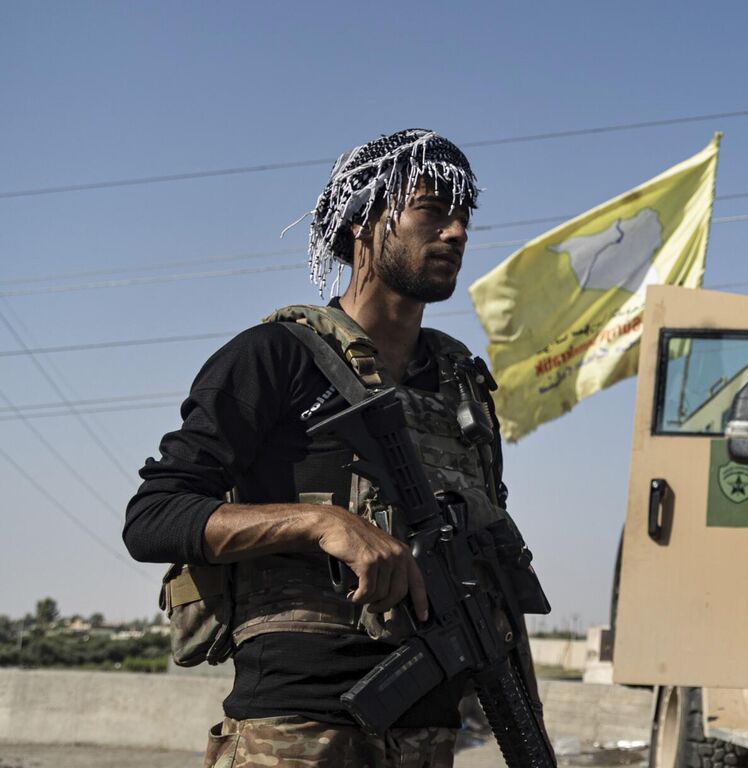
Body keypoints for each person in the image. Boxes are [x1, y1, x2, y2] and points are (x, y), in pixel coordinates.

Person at [125, 129, 528, 768]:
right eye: (431, 208)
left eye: (463, 216)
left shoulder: (464, 386)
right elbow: (153, 518)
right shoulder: (276, 357)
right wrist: (323, 522)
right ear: (364, 222)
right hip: (297, 732)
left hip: (429, 736)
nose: (456, 232)